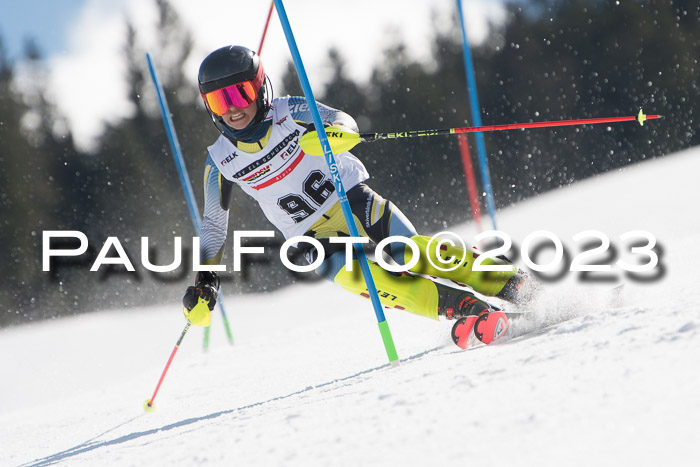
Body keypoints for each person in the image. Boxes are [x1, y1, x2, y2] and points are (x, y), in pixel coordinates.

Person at [183, 45, 536, 344]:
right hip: (309, 236)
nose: (231, 108)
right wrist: (206, 279)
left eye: (239, 93)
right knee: (367, 280)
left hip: (350, 197)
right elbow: (214, 224)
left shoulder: (290, 111)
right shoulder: (219, 162)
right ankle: (465, 309)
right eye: (218, 100)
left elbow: (342, 120)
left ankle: (509, 282)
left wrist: (334, 133)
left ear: (260, 89)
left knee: (409, 251)